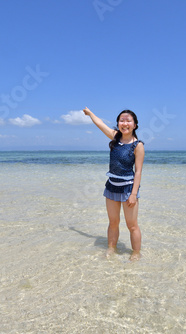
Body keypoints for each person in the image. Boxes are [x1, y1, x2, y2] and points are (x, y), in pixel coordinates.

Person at [82, 107, 145, 261]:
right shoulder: (114, 137)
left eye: (128, 120)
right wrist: (90, 113)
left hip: (128, 188)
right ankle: (111, 248)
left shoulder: (138, 146)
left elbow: (138, 172)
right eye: (122, 120)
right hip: (111, 186)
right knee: (113, 222)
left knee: (132, 225)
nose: (125, 123)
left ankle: (136, 252)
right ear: (118, 123)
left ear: (135, 125)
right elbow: (100, 124)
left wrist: (133, 194)